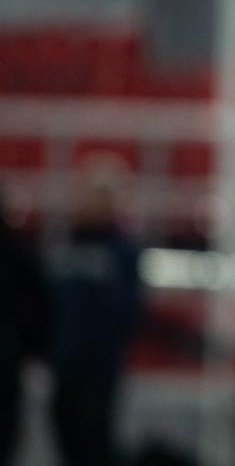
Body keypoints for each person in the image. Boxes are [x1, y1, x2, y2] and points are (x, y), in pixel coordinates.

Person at [49, 155, 142, 466]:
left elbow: (129, 310)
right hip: (65, 369)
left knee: (94, 449)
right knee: (67, 444)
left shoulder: (124, 250)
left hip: (99, 371)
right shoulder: (66, 244)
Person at [0, 186, 50, 466]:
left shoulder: (19, 250)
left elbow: (38, 306)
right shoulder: (20, 249)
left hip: (8, 357)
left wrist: (32, 349)